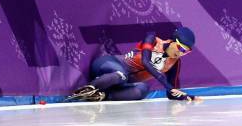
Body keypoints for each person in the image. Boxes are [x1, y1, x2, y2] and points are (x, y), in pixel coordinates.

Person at [67, 27, 199, 102]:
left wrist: (185, 96)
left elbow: (171, 93)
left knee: (143, 89)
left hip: (122, 84)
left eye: (186, 52)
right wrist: (164, 82)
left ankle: (101, 96)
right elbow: (145, 61)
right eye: (181, 48)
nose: (181, 53)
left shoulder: (175, 64)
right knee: (121, 75)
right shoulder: (152, 39)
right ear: (172, 41)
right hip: (109, 64)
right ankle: (87, 89)